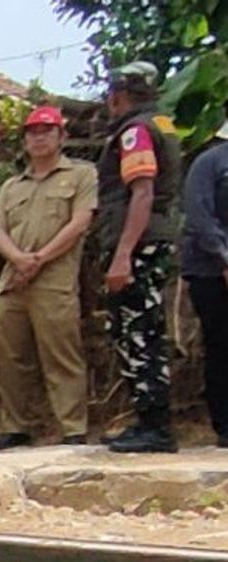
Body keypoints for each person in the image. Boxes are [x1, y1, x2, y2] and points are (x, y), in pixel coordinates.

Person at [0, 106, 98, 451]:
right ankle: (15, 426)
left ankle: (72, 427)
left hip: (54, 279)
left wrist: (39, 259)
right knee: (11, 358)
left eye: (46, 131)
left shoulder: (81, 175)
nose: (39, 137)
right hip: (13, 280)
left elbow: (79, 223)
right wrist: (19, 259)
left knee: (61, 355)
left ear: (62, 136)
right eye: (32, 132)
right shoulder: (11, 186)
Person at [96, 61, 183, 453]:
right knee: (144, 328)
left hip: (140, 244)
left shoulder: (135, 133)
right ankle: (150, 422)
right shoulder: (160, 124)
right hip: (152, 240)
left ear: (118, 95)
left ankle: (155, 426)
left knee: (139, 332)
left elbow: (142, 192)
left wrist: (123, 255)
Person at [181, 117, 228, 448]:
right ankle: (225, 425)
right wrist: (223, 258)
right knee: (221, 345)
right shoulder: (209, 163)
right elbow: (199, 216)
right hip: (211, 273)